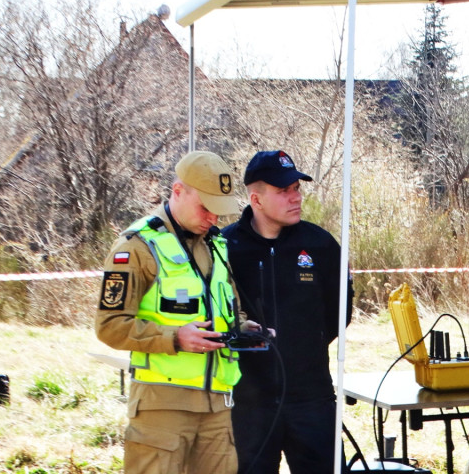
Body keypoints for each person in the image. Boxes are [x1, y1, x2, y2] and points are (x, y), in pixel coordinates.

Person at [96, 150, 244, 474]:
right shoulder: (137, 246)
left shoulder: (215, 245)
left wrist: (245, 329)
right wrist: (175, 338)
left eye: (219, 212)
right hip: (161, 407)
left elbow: (227, 310)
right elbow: (109, 326)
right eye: (206, 207)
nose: (213, 219)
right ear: (178, 191)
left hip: (218, 404)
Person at [222, 150, 353, 474]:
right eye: (284, 191)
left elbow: (340, 311)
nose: (295, 198)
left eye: (296, 188)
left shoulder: (320, 244)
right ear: (256, 198)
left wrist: (303, 345)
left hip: (311, 397)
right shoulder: (225, 247)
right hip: (249, 401)